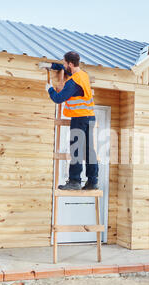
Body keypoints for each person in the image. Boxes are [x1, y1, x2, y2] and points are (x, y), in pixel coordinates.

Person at [46, 51, 99, 191]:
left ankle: (75, 181)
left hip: (79, 118)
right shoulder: (83, 75)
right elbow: (68, 71)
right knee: (89, 150)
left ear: (70, 64)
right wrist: (55, 66)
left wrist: (50, 89)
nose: (63, 65)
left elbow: (58, 98)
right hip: (90, 117)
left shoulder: (73, 83)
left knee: (76, 149)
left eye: (64, 63)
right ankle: (92, 182)